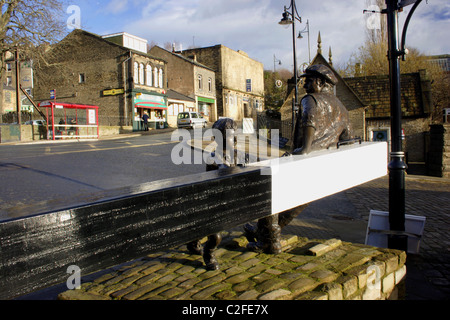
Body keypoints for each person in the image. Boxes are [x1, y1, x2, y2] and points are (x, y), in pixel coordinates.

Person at [245, 64, 352, 254]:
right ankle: (264, 234)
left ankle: (268, 241)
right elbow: (347, 139)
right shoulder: (342, 107)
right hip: (324, 164)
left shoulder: (310, 100)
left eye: (308, 81)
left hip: (306, 160)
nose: (304, 86)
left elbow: (308, 120)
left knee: (271, 194)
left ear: (320, 82)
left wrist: (305, 149)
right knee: (293, 204)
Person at [186, 117, 248, 270]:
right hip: (215, 202)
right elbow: (212, 184)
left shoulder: (239, 155)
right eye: (228, 137)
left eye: (234, 136)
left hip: (231, 199)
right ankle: (208, 254)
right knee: (216, 236)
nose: (233, 139)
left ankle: (193, 239)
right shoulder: (213, 158)